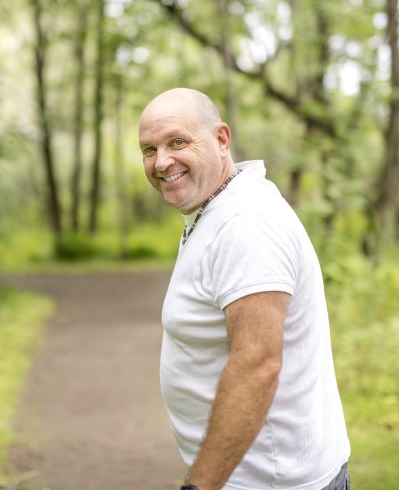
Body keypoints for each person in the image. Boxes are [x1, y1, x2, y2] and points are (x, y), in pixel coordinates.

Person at [138, 88, 351, 490]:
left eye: (177, 142)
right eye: (149, 149)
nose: (161, 161)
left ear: (221, 139)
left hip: (272, 481)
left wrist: (199, 486)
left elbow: (258, 368)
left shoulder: (245, 223)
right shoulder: (217, 208)